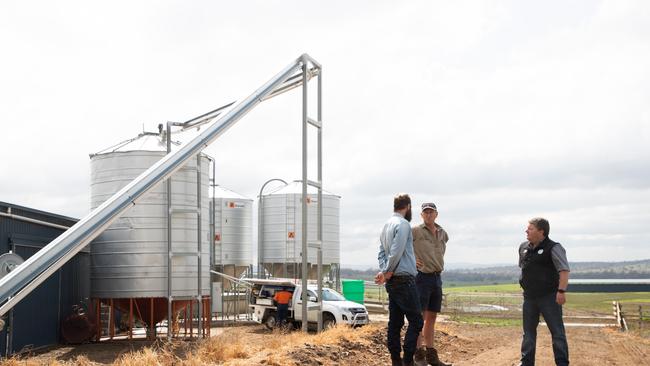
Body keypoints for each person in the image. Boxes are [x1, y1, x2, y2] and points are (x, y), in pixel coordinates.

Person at [376, 193, 424, 366]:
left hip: (392, 282)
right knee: (417, 321)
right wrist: (387, 271)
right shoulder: (403, 225)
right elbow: (396, 251)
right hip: (404, 280)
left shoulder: (385, 225)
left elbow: (381, 252)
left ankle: (396, 360)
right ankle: (408, 361)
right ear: (408, 206)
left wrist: (385, 271)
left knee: (395, 323)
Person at [518, 217, 570, 366]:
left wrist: (561, 291)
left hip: (549, 297)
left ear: (542, 231)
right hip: (529, 298)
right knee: (528, 333)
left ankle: (562, 363)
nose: (526, 231)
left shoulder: (554, 247)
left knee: (557, 333)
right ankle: (526, 362)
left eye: (530, 228)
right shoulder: (523, 247)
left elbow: (564, 270)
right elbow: (523, 268)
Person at [412, 202, 451, 366]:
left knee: (432, 317)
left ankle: (431, 356)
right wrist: (412, 260)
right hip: (421, 277)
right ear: (421, 215)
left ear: (436, 214)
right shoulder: (415, 231)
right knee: (419, 318)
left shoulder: (443, 233)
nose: (428, 214)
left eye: (431, 212)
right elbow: (400, 246)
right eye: (425, 212)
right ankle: (418, 356)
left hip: (436, 277)